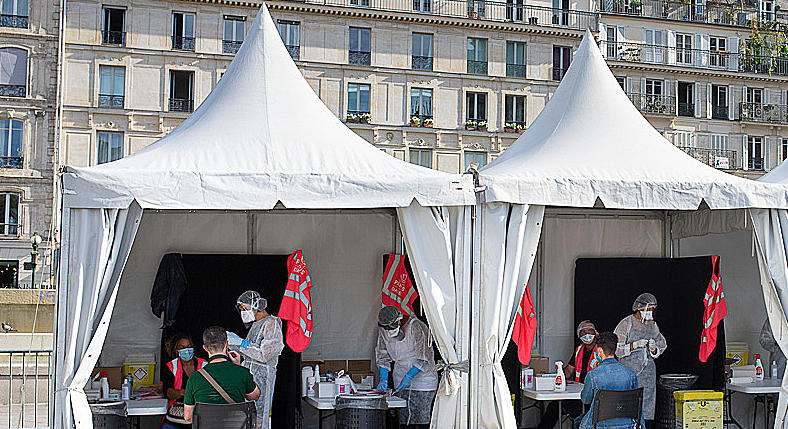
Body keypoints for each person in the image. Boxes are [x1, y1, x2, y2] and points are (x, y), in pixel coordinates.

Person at [227, 290, 284, 429]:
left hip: (263, 377)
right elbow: (251, 353)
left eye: (244, 308)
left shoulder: (271, 324)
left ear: (254, 305)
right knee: (249, 417)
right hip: (250, 377)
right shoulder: (255, 325)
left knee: (260, 417)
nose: (242, 312)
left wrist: (241, 343)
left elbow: (265, 355)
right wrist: (239, 359)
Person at [375, 306, 438, 429]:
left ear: (399, 320)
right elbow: (382, 355)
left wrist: (409, 376)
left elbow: (425, 356)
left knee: (421, 421)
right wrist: (383, 378)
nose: (388, 331)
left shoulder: (416, 326)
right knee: (404, 421)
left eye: (391, 327)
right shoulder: (384, 329)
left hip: (423, 381)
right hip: (400, 378)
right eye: (386, 327)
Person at [183, 326, 260, 423]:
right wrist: (238, 366)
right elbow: (255, 396)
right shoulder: (242, 372)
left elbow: (188, 417)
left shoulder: (195, 378)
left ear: (205, 348)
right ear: (227, 344)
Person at [613, 293, 667, 429]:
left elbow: (662, 345)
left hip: (648, 372)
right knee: (628, 405)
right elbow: (616, 350)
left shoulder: (652, 325)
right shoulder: (626, 324)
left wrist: (654, 350)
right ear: (638, 307)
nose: (649, 313)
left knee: (647, 406)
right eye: (647, 309)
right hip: (628, 371)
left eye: (652, 310)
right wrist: (634, 346)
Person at [537, 320, 600, 429]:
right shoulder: (579, 350)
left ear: (595, 333)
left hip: (593, 396)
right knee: (554, 406)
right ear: (579, 335)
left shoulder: (601, 350)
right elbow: (569, 371)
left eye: (590, 331)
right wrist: (558, 373)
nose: (587, 335)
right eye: (583, 332)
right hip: (577, 394)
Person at [574, 332, 641, 429]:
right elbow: (636, 404)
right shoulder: (631, 375)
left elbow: (585, 400)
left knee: (578, 421)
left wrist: (596, 369)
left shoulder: (593, 375)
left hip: (599, 425)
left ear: (600, 351)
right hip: (626, 424)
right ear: (615, 349)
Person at [161, 333, 208, 429]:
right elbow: (168, 392)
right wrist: (184, 393)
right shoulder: (171, 366)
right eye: (182, 347)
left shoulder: (205, 364)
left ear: (193, 348)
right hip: (178, 411)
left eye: (189, 346)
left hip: (201, 409)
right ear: (177, 351)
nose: (186, 350)